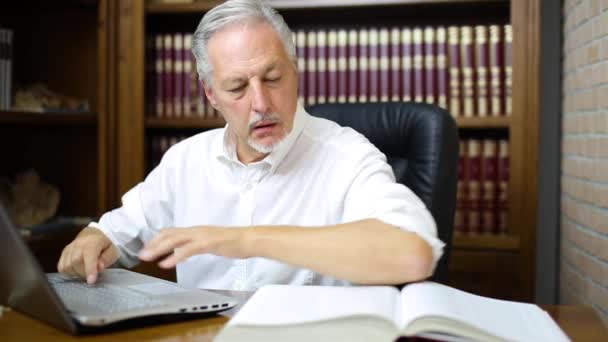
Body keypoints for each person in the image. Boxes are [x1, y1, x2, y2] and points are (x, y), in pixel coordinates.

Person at [57, 0, 444, 291]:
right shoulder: (186, 161)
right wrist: (93, 240)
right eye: (237, 87)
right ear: (211, 94)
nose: (260, 103)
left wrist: (243, 239)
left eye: (273, 77)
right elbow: (115, 233)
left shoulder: (348, 158)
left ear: (295, 71)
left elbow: (411, 254)